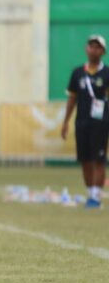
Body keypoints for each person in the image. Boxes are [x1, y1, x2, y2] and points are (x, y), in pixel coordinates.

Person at [61, 34, 109, 209]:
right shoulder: (77, 73)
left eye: (97, 47)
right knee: (85, 160)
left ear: (102, 51)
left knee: (99, 159)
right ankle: (90, 193)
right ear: (86, 49)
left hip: (101, 122)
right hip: (82, 122)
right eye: (91, 46)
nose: (93, 49)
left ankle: (96, 195)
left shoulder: (107, 73)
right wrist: (66, 122)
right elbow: (72, 99)